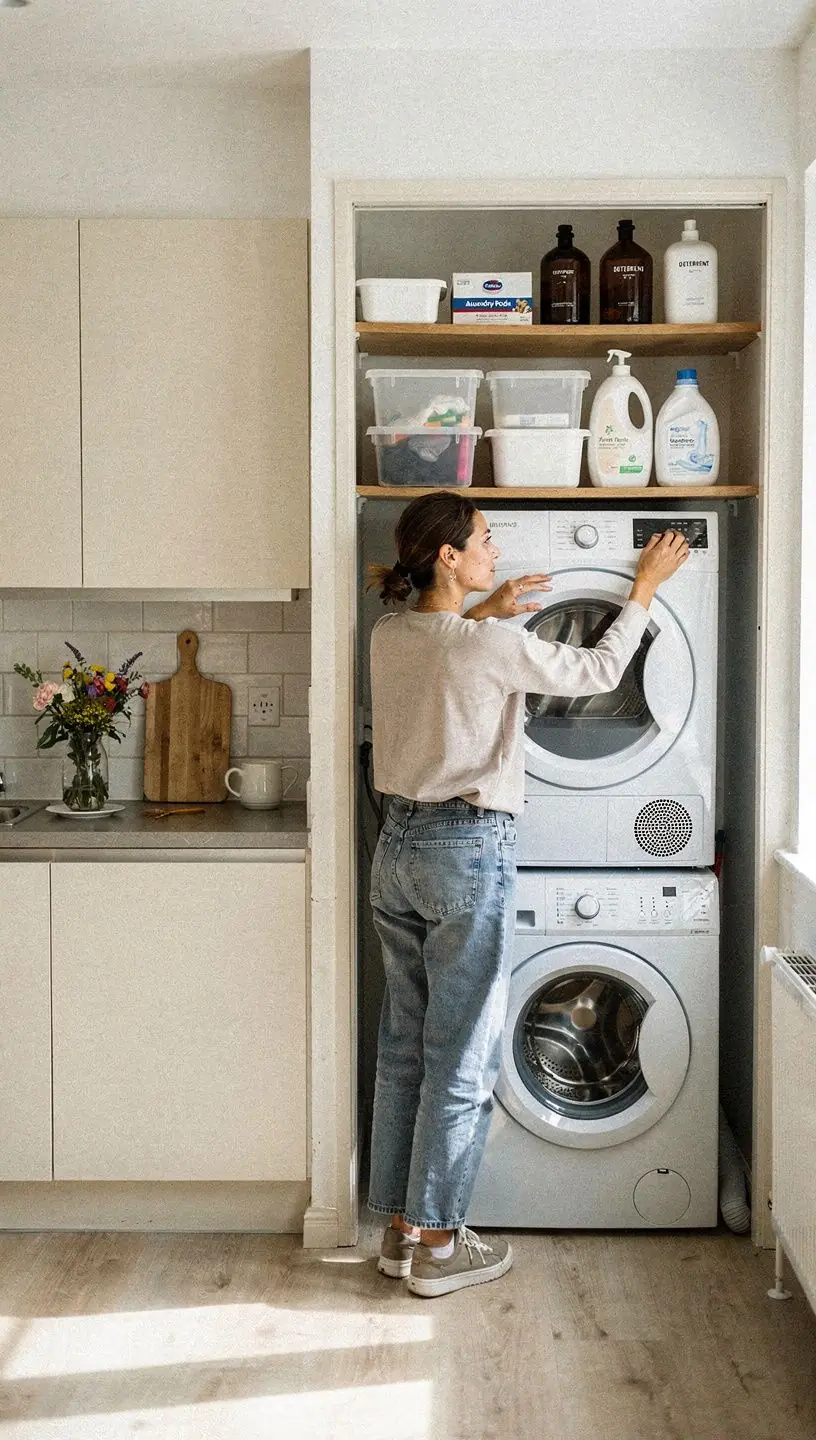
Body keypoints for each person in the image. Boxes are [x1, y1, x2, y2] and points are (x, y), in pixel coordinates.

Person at [366, 491, 689, 1298]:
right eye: (483, 541)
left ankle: (400, 1235)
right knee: (464, 1057)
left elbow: (454, 653)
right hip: (464, 852)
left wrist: (493, 609)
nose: (495, 552)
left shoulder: (391, 633)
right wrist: (643, 588)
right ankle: (441, 1248)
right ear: (449, 556)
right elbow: (602, 670)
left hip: (396, 851)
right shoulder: (487, 647)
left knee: (406, 1047)